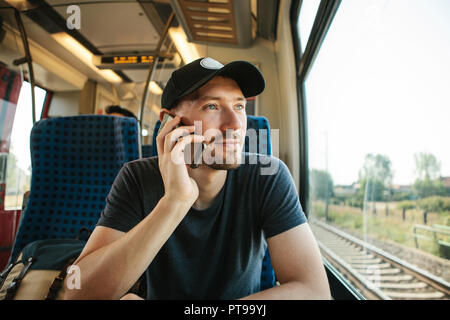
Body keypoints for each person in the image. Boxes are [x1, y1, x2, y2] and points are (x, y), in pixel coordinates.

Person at [64, 57, 330, 300]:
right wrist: (175, 202)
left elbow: (314, 291)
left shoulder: (268, 175)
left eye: (239, 106)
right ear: (171, 122)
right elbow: (78, 293)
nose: (236, 125)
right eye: (212, 106)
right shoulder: (137, 177)